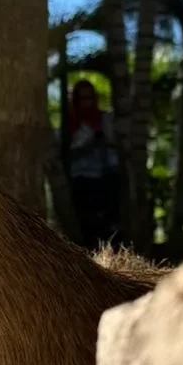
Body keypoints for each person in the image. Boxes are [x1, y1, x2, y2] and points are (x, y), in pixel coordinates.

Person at [65, 80, 121, 247]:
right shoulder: (71, 124)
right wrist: (89, 146)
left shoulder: (106, 120)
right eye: (82, 98)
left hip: (107, 179)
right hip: (82, 181)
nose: (87, 102)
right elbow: (66, 155)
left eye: (90, 97)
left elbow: (118, 146)